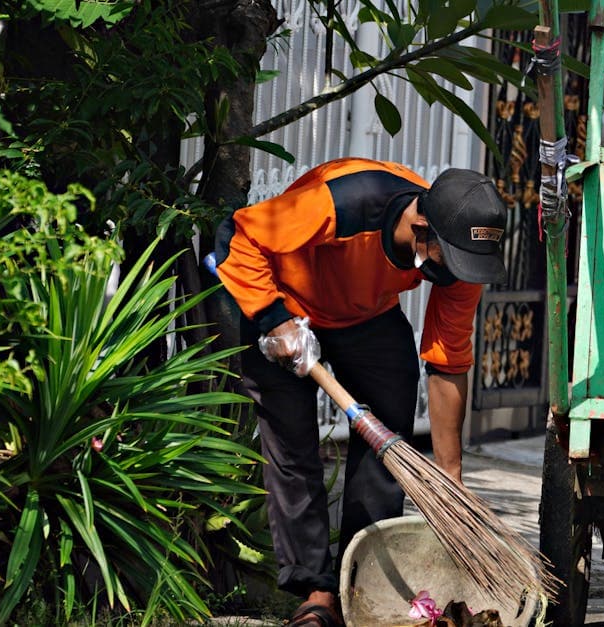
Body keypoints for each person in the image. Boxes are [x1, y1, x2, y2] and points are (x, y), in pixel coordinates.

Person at [206, 157, 508, 627]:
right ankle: (316, 591)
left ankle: (360, 583)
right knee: (293, 446)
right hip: (285, 300)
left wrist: (451, 476)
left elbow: (448, 360)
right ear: (421, 226)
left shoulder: (458, 254)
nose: (457, 273)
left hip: (366, 313)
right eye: (450, 259)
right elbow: (238, 237)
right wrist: (273, 319)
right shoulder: (346, 201)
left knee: (389, 440)